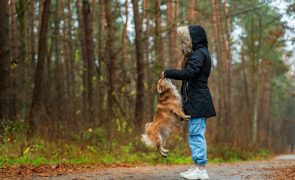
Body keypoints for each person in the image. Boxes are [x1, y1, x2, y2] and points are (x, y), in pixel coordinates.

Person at [162, 25, 216, 180]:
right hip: (196, 101)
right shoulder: (200, 53)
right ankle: (198, 166)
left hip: (199, 101)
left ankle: (201, 169)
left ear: (193, 39)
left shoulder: (199, 53)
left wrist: (168, 73)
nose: (183, 43)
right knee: (194, 134)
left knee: (196, 134)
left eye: (185, 39)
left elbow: (189, 73)